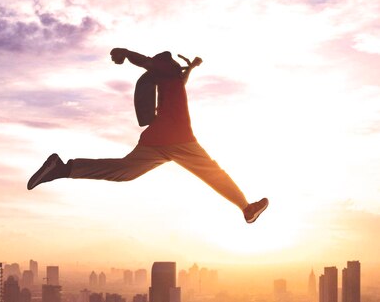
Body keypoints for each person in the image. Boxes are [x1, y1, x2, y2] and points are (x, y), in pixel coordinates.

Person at [27, 48, 269, 224]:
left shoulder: (172, 80)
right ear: (165, 64)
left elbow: (179, 77)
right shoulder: (164, 69)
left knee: (126, 172)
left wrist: (191, 68)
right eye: (172, 62)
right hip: (178, 139)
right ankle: (247, 208)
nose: (176, 64)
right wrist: (124, 52)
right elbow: (147, 62)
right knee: (213, 173)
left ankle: (62, 169)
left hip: (156, 140)